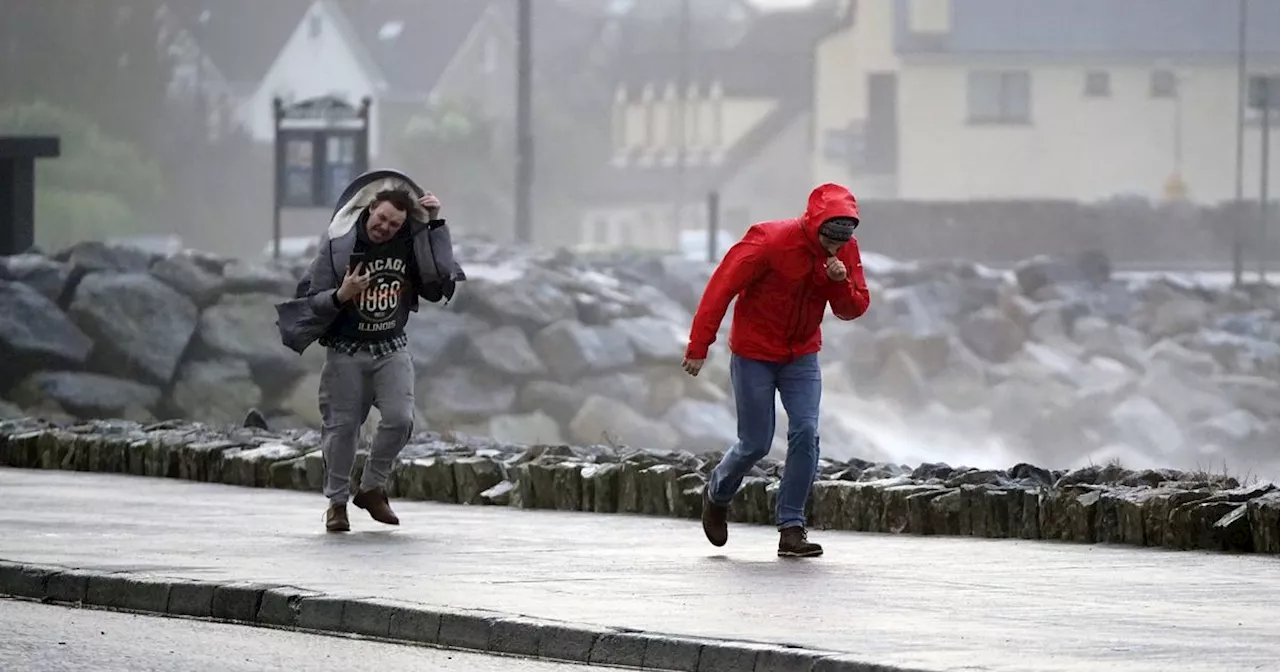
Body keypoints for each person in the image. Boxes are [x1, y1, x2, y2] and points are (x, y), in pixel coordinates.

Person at [682, 183, 871, 558]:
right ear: (816, 225)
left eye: (842, 241)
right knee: (755, 442)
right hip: (754, 354)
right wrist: (699, 346)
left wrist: (840, 282)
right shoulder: (769, 241)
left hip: (801, 355)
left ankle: (791, 528)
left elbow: (853, 308)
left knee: (806, 431)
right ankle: (717, 493)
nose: (835, 248)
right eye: (830, 240)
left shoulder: (845, 250)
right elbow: (721, 288)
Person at [275, 181, 464, 533]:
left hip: (391, 347)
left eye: (394, 224)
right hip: (345, 350)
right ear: (370, 208)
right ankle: (336, 505)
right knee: (342, 429)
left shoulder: (410, 242)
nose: (385, 227)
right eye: (382, 218)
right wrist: (343, 294)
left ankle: (373, 487)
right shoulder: (339, 244)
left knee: (400, 418)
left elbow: (439, 282)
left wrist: (435, 221)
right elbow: (312, 298)